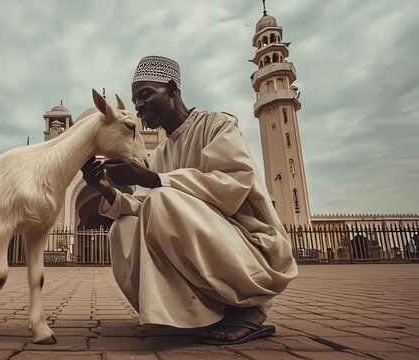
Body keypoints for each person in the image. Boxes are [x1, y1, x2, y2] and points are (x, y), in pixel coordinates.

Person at [81, 56, 298, 344]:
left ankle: (247, 311)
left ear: (172, 89)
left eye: (145, 94)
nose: (139, 106)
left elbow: (234, 183)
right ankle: (192, 313)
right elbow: (141, 207)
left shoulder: (216, 125)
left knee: (162, 199)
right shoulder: (159, 155)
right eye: (135, 101)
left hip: (250, 246)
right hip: (210, 239)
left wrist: (156, 180)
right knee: (124, 226)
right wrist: (104, 186)